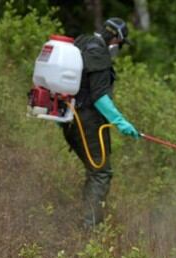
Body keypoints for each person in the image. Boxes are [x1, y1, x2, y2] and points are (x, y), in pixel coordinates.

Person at [61, 17, 139, 228]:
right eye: (120, 44)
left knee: (94, 171)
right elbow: (99, 97)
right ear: (115, 38)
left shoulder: (83, 42)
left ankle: (86, 221)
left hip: (69, 118)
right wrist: (121, 123)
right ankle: (90, 229)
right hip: (85, 121)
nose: (118, 48)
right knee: (101, 172)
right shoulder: (99, 54)